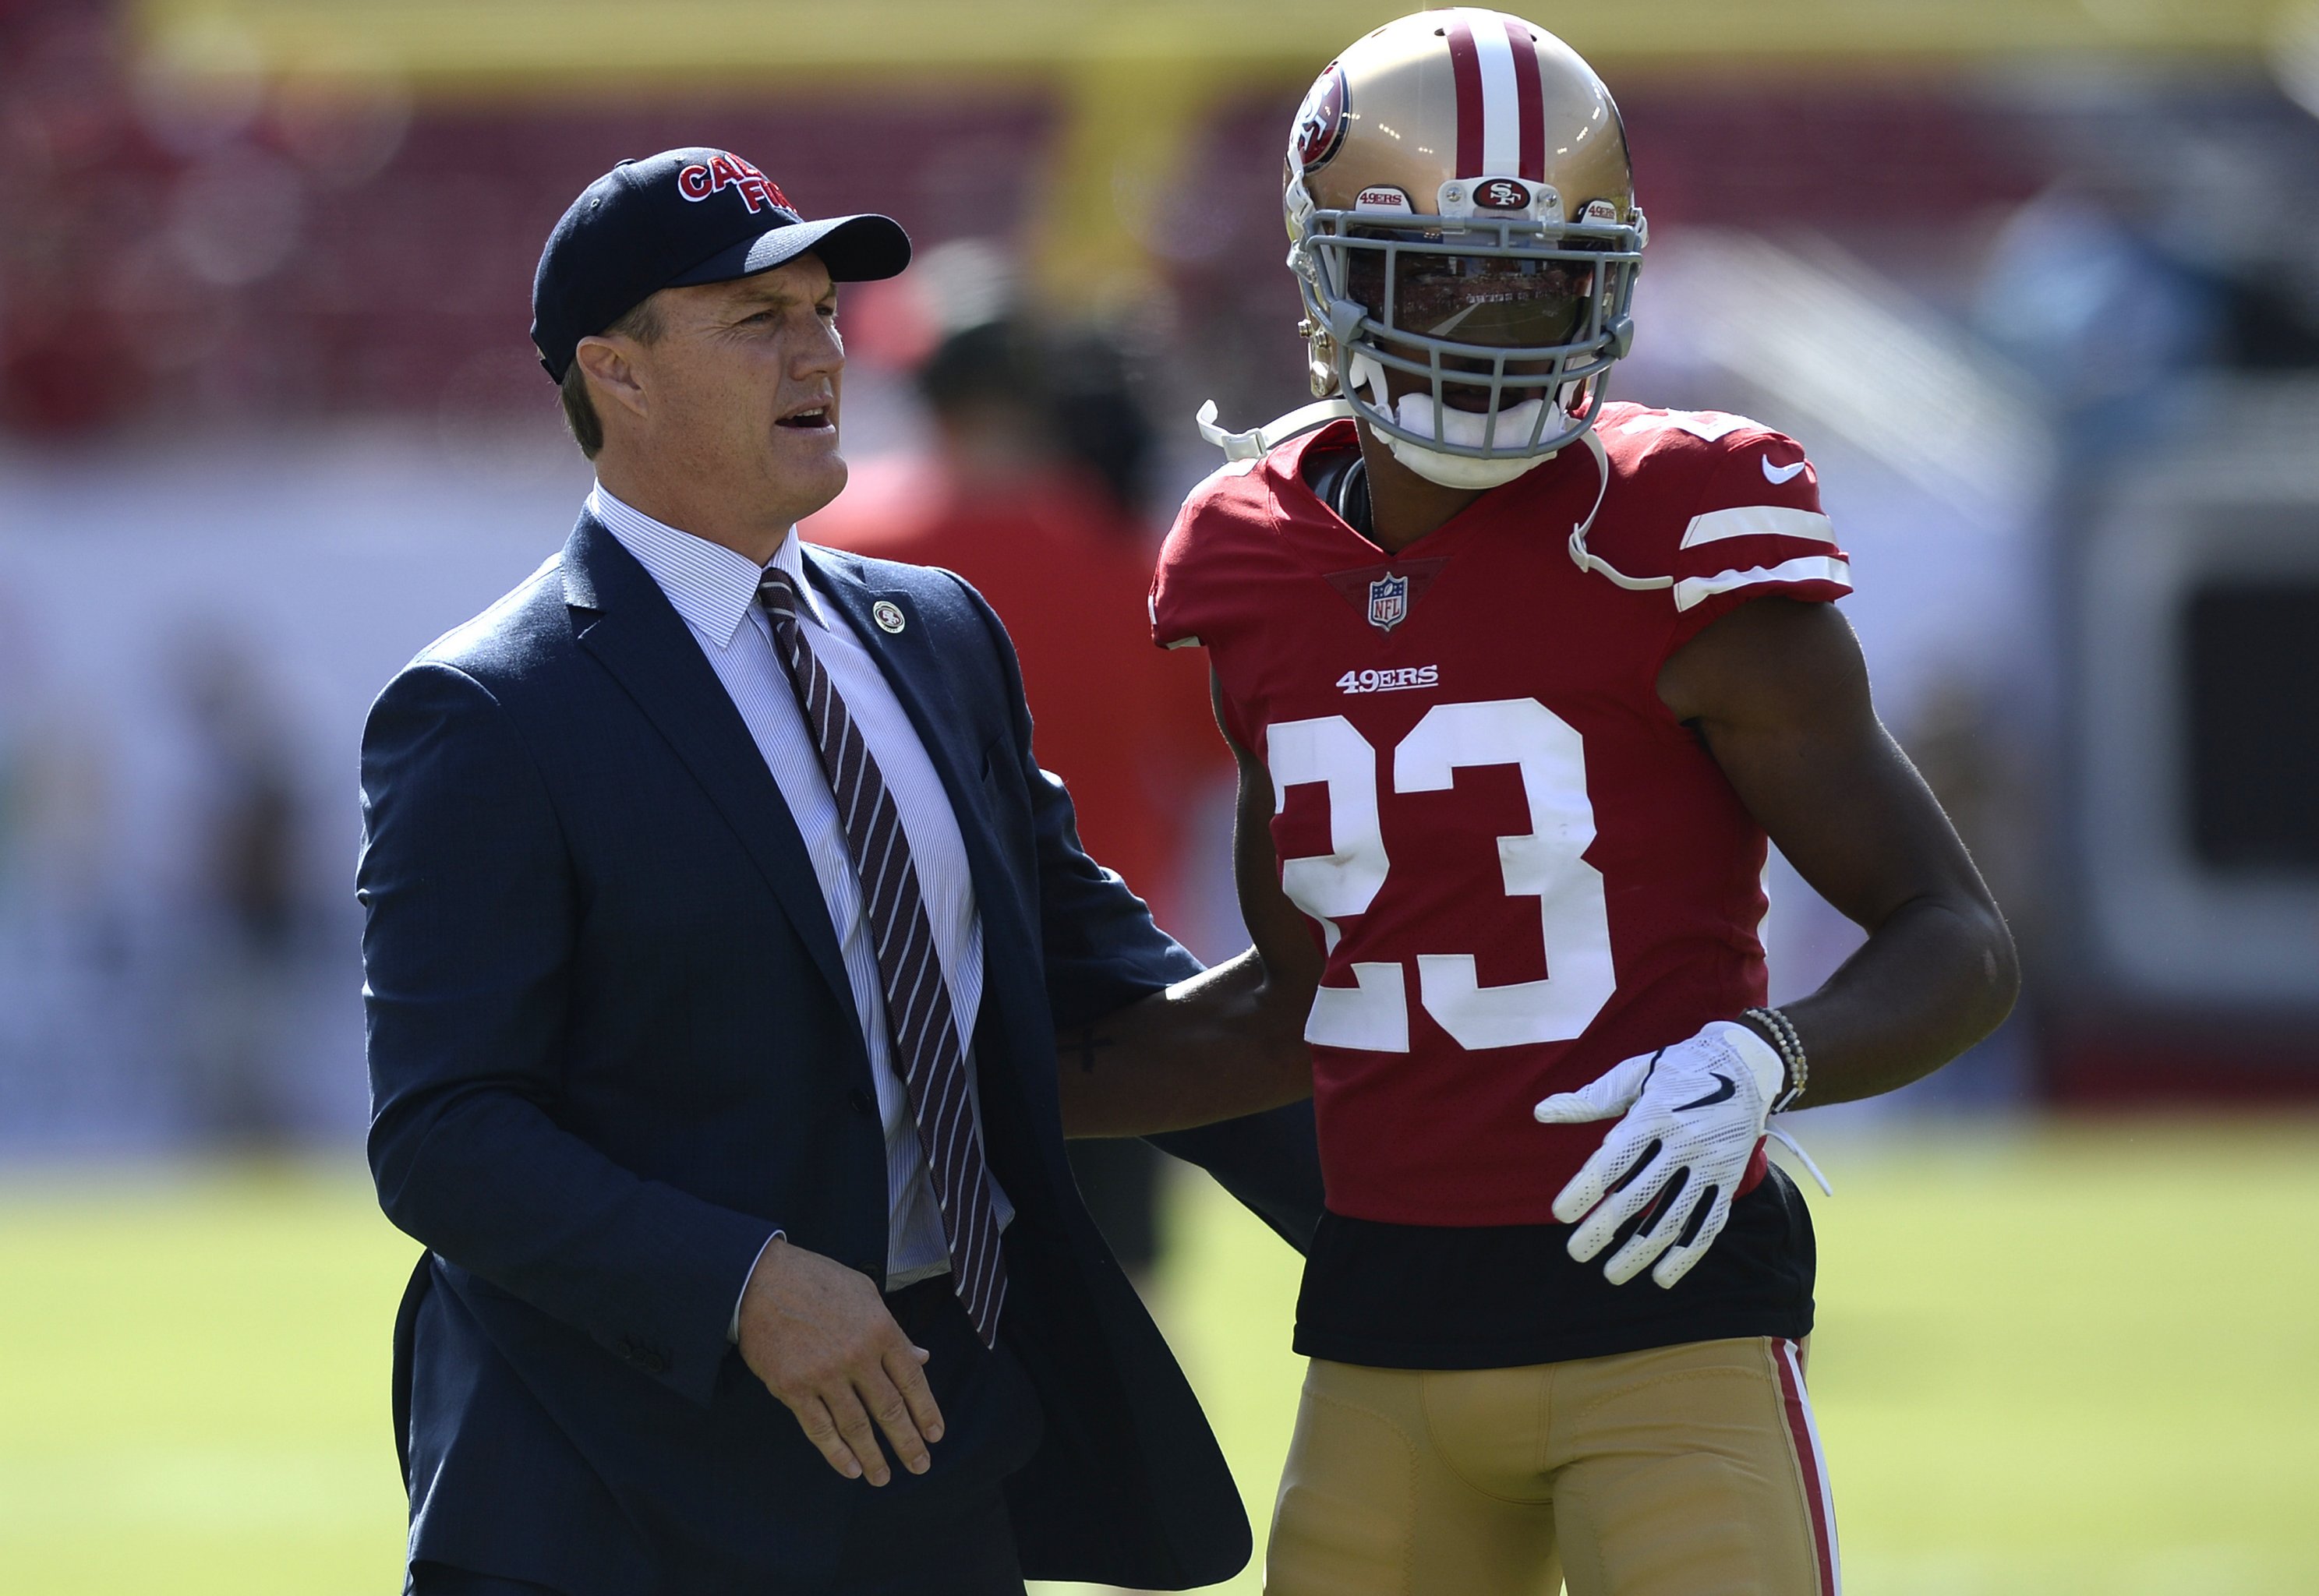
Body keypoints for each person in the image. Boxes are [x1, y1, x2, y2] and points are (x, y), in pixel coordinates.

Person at [358, 147, 1320, 1596]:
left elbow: (1109, 982)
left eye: (821, 309)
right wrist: (739, 1280)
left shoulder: (934, 629)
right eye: (758, 320)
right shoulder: (487, 707)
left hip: (924, 1438)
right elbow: (444, 1130)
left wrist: (1405, 1222)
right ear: (615, 375)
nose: (820, 348)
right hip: (612, 1476)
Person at [1147, 16, 2020, 1595]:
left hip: (1663, 1320)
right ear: (1322, 278)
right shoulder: (1249, 561)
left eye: (1539, 277)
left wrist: (1769, 1056)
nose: (1492, 327)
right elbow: (1295, 1004)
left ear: (1607, 282)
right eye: (1439, 278)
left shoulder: (1682, 533)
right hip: (1381, 1333)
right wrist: (943, 1094)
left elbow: (1951, 933)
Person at [808, 312, 1229, 1283]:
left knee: (890, 1293)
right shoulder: (1136, 563)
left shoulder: (837, 547)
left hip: (882, 968)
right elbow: (1206, 760)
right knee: (1108, 1296)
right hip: (1092, 980)